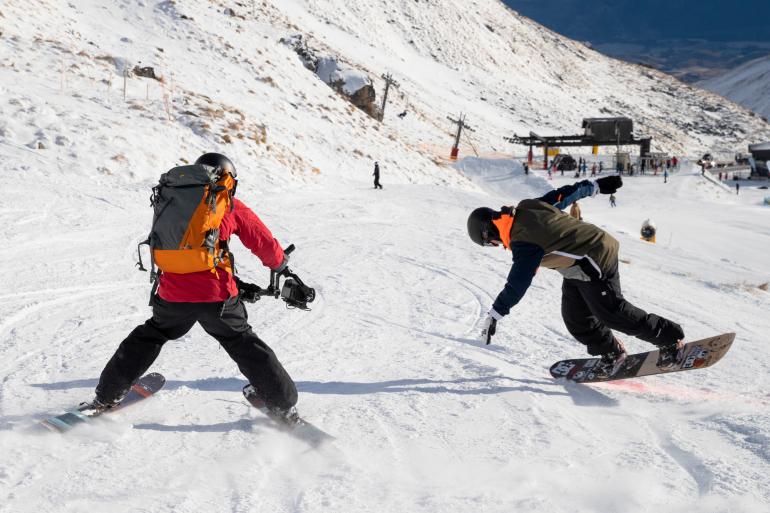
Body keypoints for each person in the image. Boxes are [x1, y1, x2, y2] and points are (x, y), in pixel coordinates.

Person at [88, 153, 302, 423]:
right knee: (242, 342)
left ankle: (106, 396)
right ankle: (283, 405)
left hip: (172, 292)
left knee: (150, 335)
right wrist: (281, 265)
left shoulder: (174, 201)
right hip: (217, 296)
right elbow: (264, 245)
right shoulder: (229, 205)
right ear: (226, 179)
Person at [466, 176, 684, 377]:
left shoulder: (522, 241)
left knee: (612, 312)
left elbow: (518, 283)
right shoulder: (526, 208)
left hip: (595, 256)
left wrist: (495, 313)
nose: (496, 246)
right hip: (576, 267)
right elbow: (563, 195)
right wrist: (595, 186)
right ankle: (612, 351)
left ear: (488, 235)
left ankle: (670, 339)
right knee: (576, 317)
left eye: (490, 244)